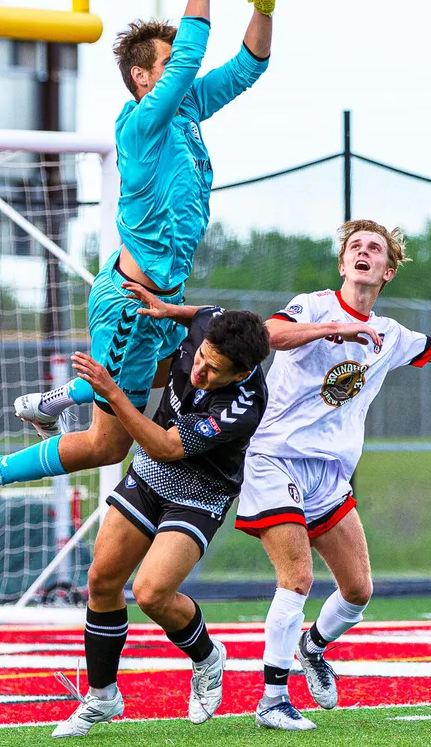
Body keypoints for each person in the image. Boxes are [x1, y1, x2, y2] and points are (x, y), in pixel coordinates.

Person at [0, 0, 284, 543]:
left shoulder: (186, 112)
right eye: (166, 64)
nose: (179, 70)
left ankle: (54, 400)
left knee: (159, 386)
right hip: (129, 306)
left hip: (156, 302)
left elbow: (252, 63)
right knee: (106, 446)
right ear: (144, 79)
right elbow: (190, 58)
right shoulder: (140, 123)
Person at [234, 219, 431, 730]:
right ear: (343, 264)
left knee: (359, 592)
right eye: (356, 248)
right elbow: (268, 334)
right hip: (275, 457)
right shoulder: (315, 305)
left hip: (329, 474)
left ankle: (312, 646)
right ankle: (273, 701)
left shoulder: (390, 335)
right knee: (297, 578)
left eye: (376, 250)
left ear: (387, 271)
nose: (365, 253)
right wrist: (332, 328)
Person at [50, 305, 271, 737]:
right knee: (102, 580)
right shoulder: (211, 325)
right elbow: (200, 313)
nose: (200, 370)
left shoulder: (244, 406)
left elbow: (168, 445)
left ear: (241, 373)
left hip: (199, 493)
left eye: (215, 370)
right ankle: (102, 695)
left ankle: (207, 657)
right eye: (202, 356)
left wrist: (113, 393)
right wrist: (167, 309)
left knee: (151, 593)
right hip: (149, 474)